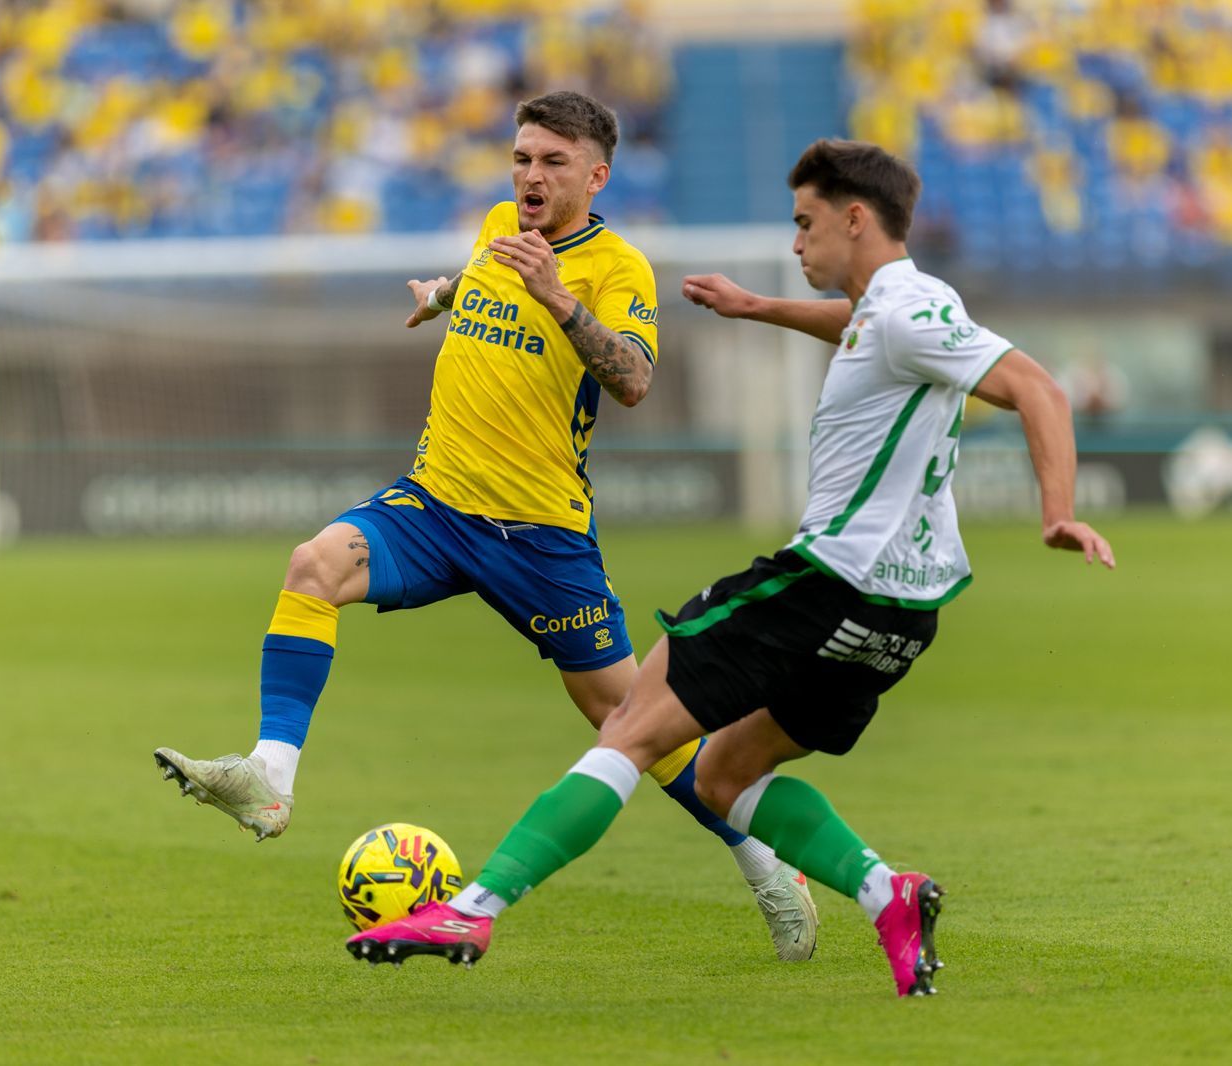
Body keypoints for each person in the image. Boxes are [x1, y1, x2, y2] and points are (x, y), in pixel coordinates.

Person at [345, 138, 1115, 997]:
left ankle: (473, 907)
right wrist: (758, 308)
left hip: (826, 583)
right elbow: (860, 326)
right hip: (904, 616)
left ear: (854, 219)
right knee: (723, 774)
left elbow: (1039, 388)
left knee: (631, 727)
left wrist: (1059, 512)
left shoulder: (904, 310)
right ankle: (884, 893)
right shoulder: (906, 307)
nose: (796, 243)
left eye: (805, 223)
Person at [153, 91, 818, 962]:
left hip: (539, 535)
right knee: (315, 563)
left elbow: (633, 379)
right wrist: (445, 294)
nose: (530, 176)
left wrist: (558, 299)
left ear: (596, 174)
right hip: (435, 502)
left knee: (631, 726)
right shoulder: (500, 224)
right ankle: (269, 778)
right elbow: (488, 280)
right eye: (521, 158)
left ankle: (764, 859)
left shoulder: (618, 267)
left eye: (551, 162)